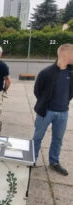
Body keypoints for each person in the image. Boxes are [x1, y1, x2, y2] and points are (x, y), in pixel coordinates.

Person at [33, 43, 73, 176]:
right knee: (38, 137)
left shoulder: (71, 72)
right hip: (46, 112)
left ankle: (54, 162)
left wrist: (64, 102)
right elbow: (37, 91)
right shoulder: (46, 72)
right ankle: (32, 159)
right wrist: (45, 103)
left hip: (63, 113)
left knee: (58, 139)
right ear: (65, 55)